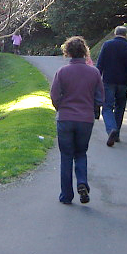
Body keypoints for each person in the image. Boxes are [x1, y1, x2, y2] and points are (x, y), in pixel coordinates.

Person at [49, 36, 104, 204]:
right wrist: (93, 108)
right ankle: (82, 182)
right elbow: (100, 98)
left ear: (68, 52)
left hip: (65, 118)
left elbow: (54, 96)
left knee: (66, 156)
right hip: (85, 120)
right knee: (81, 153)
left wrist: (61, 108)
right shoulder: (94, 72)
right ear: (84, 51)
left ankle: (66, 195)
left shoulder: (62, 72)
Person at [95, 25, 127, 147]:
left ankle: (111, 129)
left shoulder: (107, 45)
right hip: (123, 83)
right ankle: (116, 133)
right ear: (126, 35)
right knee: (120, 107)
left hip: (108, 81)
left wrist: (96, 80)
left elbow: (100, 63)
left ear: (115, 33)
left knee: (107, 107)